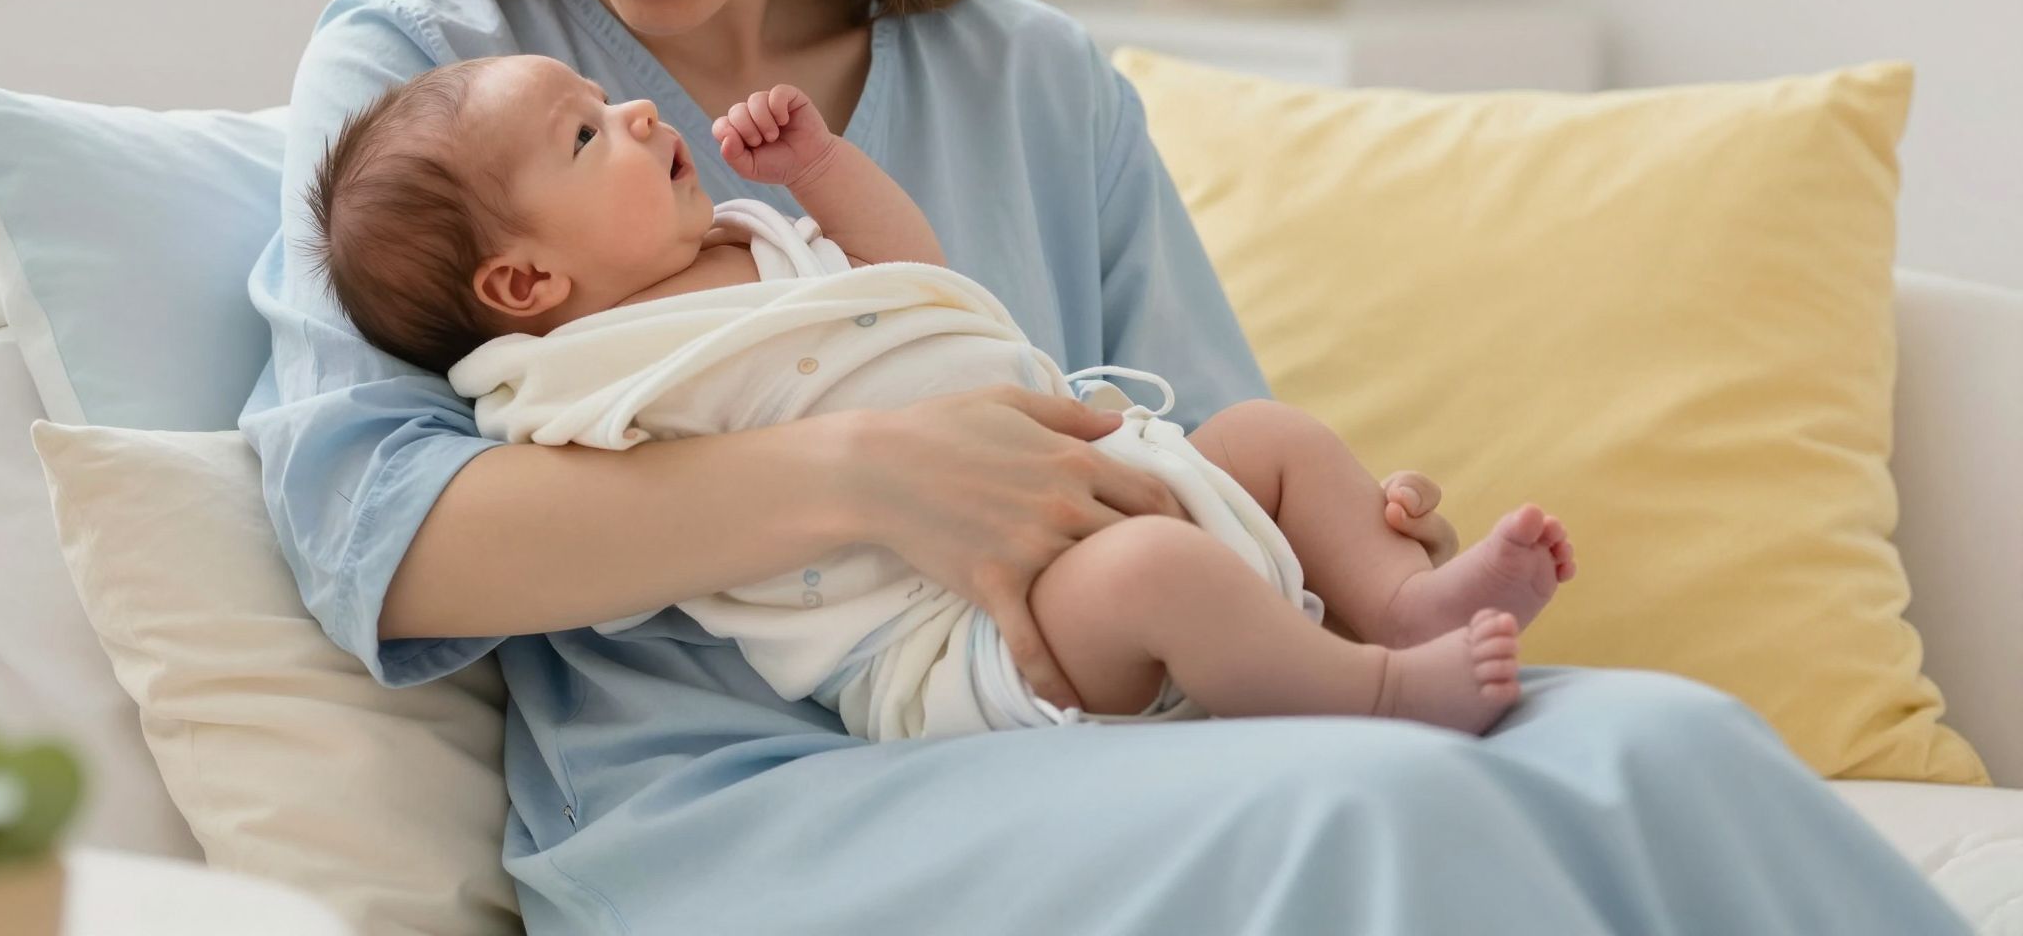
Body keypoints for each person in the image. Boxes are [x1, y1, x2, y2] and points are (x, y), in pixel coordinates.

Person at [240, 0, 1971, 935]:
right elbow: (366, 537)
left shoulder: (1025, 75)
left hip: (1124, 717)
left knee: (1675, 745)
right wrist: (866, 473)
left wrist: (1358, 539)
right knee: (1385, 817)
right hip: (735, 799)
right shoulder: (433, 78)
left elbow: (1185, 437)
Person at [303, 57, 1576, 741]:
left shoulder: (750, 238)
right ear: (523, 279)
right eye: (584, 137)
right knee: (1151, 581)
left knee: (1273, 442)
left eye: (599, 101)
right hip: (955, 629)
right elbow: (450, 523)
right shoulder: (556, 378)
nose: (632, 109)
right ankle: (1375, 699)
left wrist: (822, 170)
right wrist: (872, 471)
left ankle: (1405, 602)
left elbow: (917, 277)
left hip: (1118, 464)